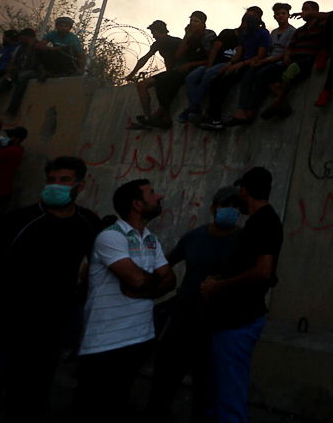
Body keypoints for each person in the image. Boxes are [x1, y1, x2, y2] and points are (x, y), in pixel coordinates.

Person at [0, 155, 101, 423]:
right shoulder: (19, 221)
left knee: (28, 406)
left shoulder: (87, 223)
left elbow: (99, 261)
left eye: (64, 180)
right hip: (1, 332)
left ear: (81, 185)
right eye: (51, 180)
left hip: (47, 337)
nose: (56, 185)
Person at [75, 179, 174, 422]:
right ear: (137, 204)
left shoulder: (150, 238)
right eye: (152, 193)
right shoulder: (111, 236)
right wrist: (146, 283)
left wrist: (141, 288)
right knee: (90, 407)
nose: (159, 196)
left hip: (138, 336)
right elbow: (138, 279)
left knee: (116, 404)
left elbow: (169, 281)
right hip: (106, 341)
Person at [148, 185, 243, 422]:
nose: (230, 210)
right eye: (225, 205)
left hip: (216, 329)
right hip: (181, 324)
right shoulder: (195, 236)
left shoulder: (243, 242)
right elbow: (165, 263)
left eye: (235, 206)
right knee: (163, 383)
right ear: (213, 208)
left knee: (206, 392)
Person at [201, 166, 284, 423]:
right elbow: (263, 272)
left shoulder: (264, 222)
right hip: (230, 322)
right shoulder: (260, 222)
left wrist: (217, 287)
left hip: (238, 323)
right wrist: (221, 278)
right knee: (218, 398)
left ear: (245, 190)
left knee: (229, 402)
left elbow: (262, 271)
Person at [144, 11, 217, 129]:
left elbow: (212, 58)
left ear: (203, 24)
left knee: (176, 80)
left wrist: (191, 64)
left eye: (196, 21)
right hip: (189, 66)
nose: (192, 23)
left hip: (201, 66)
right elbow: (178, 55)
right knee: (162, 80)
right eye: (191, 21)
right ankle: (163, 112)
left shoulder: (208, 35)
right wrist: (186, 37)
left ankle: (163, 112)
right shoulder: (191, 37)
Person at [227, 3, 297, 124]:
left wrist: (264, 61)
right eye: (278, 14)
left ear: (288, 15)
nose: (280, 16)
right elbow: (270, 51)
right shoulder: (274, 33)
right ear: (274, 16)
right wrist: (261, 60)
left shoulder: (292, 31)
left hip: (281, 62)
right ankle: (243, 110)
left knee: (262, 75)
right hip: (269, 61)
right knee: (250, 76)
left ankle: (252, 111)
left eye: (283, 13)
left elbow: (286, 52)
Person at [200, 10, 271, 129]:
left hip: (253, 63)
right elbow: (238, 54)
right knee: (215, 79)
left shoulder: (263, 33)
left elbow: (261, 56)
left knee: (227, 79)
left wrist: (241, 64)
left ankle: (218, 115)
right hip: (241, 63)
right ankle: (214, 115)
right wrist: (229, 63)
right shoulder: (244, 34)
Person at [260, 2, 327, 120]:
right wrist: (286, 57)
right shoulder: (300, 30)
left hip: (308, 59)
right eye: (302, 9)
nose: (302, 12)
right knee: (266, 73)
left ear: (315, 11)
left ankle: (276, 102)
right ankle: (284, 105)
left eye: (306, 9)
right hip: (294, 58)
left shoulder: (322, 26)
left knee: (291, 70)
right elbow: (290, 47)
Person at [0, 28, 42, 123]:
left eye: (21, 37)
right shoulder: (19, 48)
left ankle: (12, 108)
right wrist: (8, 73)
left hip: (32, 71)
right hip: (17, 71)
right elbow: (12, 62)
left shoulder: (39, 46)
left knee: (23, 77)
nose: (19, 39)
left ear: (27, 37)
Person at [125, 20, 183, 126]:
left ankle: (148, 116)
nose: (153, 36)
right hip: (180, 72)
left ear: (156, 31)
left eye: (153, 33)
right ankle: (165, 117)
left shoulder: (161, 42)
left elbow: (145, 59)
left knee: (142, 85)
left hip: (176, 73)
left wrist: (131, 74)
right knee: (161, 82)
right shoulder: (177, 40)